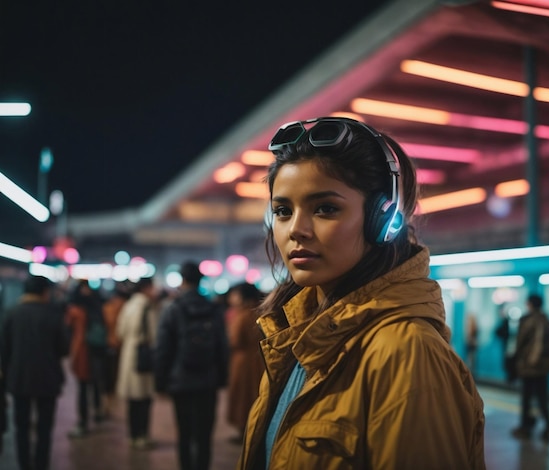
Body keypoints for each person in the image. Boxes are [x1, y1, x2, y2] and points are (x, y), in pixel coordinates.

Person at [237, 117, 486, 469]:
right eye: (282, 211)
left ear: (383, 218)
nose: (296, 230)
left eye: (325, 208)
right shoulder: (295, 337)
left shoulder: (406, 353)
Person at [154, 261, 229, 470]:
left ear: (183, 280)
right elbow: (222, 347)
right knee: (204, 436)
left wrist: (160, 381)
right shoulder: (214, 309)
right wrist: (222, 378)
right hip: (208, 380)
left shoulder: (173, 309)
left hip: (181, 380)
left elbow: (163, 348)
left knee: (184, 434)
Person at [0, 275, 69, 470]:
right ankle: (41, 464)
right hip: (48, 379)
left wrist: (4, 379)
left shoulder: (12, 313)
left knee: (21, 427)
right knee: (44, 428)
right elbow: (64, 348)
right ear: (45, 292)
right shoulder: (53, 314)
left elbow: (4, 350)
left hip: (19, 378)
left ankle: (24, 464)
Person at [116, 277, 158, 450]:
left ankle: (133, 435)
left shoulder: (128, 305)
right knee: (145, 399)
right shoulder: (148, 307)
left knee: (133, 400)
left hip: (129, 353)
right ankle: (142, 435)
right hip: (144, 356)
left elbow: (120, 331)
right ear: (146, 288)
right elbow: (154, 334)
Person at [511, 293, 549, 443]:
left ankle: (525, 427)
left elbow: (520, 343)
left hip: (529, 366)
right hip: (544, 367)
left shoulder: (528, 320)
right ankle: (548, 427)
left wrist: (515, 361)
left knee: (527, 398)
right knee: (543, 398)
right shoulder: (547, 320)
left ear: (530, 304)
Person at [65, 280, 107, 438]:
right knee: (95, 383)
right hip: (96, 350)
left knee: (83, 387)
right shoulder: (97, 305)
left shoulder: (75, 309)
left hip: (83, 352)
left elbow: (68, 330)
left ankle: (83, 422)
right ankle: (97, 410)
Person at [225, 282, 264, 443]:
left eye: (234, 294)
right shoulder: (259, 311)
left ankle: (244, 430)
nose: (231, 298)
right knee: (254, 393)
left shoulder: (242, 315)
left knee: (242, 395)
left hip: (242, 361)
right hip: (258, 359)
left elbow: (234, 339)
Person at [101, 283, 131, 418]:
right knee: (113, 378)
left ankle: (107, 405)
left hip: (108, 346)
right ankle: (111, 405)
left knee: (108, 379)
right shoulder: (125, 308)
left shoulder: (107, 307)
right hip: (118, 346)